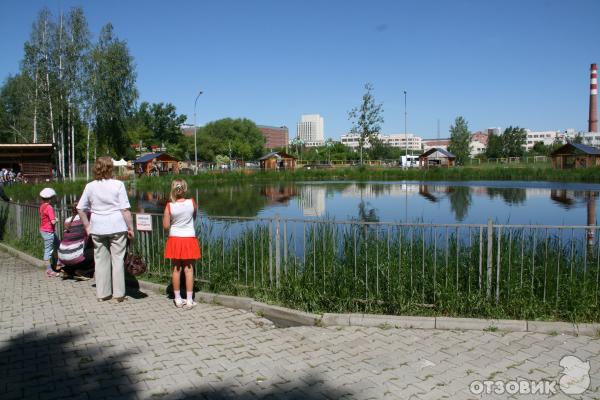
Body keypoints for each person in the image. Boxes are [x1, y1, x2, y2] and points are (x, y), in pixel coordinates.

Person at [77, 156, 134, 302]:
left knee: (100, 261)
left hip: (97, 227)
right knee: (118, 260)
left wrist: (87, 226)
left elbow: (80, 208)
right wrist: (130, 228)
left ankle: (103, 294)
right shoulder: (118, 185)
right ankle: (119, 294)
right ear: (111, 168)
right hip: (116, 226)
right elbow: (125, 209)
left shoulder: (90, 186)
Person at [163, 178, 201, 309]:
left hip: (175, 239)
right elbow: (194, 217)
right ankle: (190, 300)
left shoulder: (169, 206)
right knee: (189, 269)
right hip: (189, 238)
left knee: (176, 269)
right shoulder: (192, 203)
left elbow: (166, 226)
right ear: (185, 189)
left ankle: (178, 299)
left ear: (173, 190)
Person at [58, 204, 94, 280]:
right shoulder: (86, 217)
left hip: (62, 254)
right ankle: (84, 272)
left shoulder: (67, 220)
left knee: (74, 250)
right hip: (75, 255)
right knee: (94, 252)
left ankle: (68, 270)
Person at [39, 187, 61, 277]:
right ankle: (49, 270)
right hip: (48, 231)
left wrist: (52, 219)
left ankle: (59, 263)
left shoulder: (42, 206)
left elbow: (45, 217)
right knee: (48, 250)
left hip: (44, 230)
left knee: (58, 244)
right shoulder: (49, 207)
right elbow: (52, 221)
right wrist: (57, 220)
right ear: (50, 198)